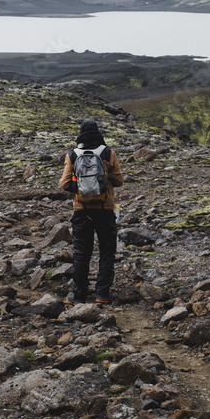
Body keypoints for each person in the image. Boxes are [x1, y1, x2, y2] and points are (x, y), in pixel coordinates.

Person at [59, 118, 124, 305]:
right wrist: (105, 177)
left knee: (81, 253)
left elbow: (64, 184)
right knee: (107, 251)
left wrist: (79, 186)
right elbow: (119, 181)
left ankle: (78, 295)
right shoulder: (107, 153)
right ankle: (102, 294)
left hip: (82, 212)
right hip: (105, 210)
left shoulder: (72, 155)